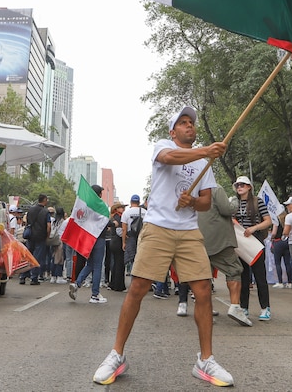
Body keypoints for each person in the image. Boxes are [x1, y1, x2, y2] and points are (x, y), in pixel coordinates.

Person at [93, 106, 233, 387]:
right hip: (158, 227)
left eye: (191, 123)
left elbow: (206, 202)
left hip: (189, 231)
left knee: (204, 290)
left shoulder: (204, 164)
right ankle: (117, 354)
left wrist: (191, 201)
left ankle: (205, 360)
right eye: (183, 123)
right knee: (138, 287)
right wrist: (206, 150)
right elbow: (169, 158)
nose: (189, 126)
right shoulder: (164, 146)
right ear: (173, 131)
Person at [177, 184, 252, 327]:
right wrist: (234, 201)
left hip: (197, 238)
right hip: (219, 239)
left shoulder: (188, 190)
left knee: (203, 276)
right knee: (234, 269)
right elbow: (227, 209)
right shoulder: (215, 188)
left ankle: (205, 311)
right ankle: (235, 307)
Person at [232, 175, 272, 321]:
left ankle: (265, 307)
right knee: (242, 276)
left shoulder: (257, 202)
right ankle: (244, 307)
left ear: (249, 187)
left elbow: (268, 221)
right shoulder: (234, 203)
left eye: (242, 184)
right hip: (240, 243)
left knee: (260, 276)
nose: (239, 187)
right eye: (237, 185)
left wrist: (254, 228)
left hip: (255, 242)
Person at [69, 184, 109, 304]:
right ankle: (95, 294)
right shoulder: (102, 206)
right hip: (99, 238)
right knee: (97, 266)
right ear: (99, 194)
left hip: (88, 238)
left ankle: (76, 284)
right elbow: (106, 222)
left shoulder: (85, 205)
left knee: (90, 264)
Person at [20, 194, 51, 285]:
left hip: (30, 236)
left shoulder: (31, 210)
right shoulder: (46, 212)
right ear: (44, 200)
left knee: (28, 256)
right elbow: (48, 226)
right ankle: (34, 278)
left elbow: (26, 222)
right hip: (40, 237)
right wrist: (47, 236)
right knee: (37, 258)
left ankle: (23, 276)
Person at [121, 194, 145, 275]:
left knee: (132, 259)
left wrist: (124, 242)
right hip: (143, 237)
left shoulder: (126, 213)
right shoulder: (145, 212)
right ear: (139, 202)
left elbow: (124, 229)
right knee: (142, 259)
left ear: (131, 202)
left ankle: (133, 279)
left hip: (131, 237)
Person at [270, 211, 292, 289]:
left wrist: (271, 238)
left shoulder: (276, 220)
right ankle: (290, 282)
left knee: (278, 263)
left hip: (277, 242)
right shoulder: (288, 220)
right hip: (286, 242)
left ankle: (280, 282)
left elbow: (274, 233)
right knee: (288, 263)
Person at [107, 202, 126, 292]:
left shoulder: (113, 217)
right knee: (120, 264)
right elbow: (120, 231)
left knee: (115, 264)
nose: (123, 209)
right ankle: (119, 286)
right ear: (117, 209)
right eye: (121, 207)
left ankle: (113, 283)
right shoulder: (119, 217)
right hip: (118, 242)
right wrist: (126, 237)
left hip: (112, 241)